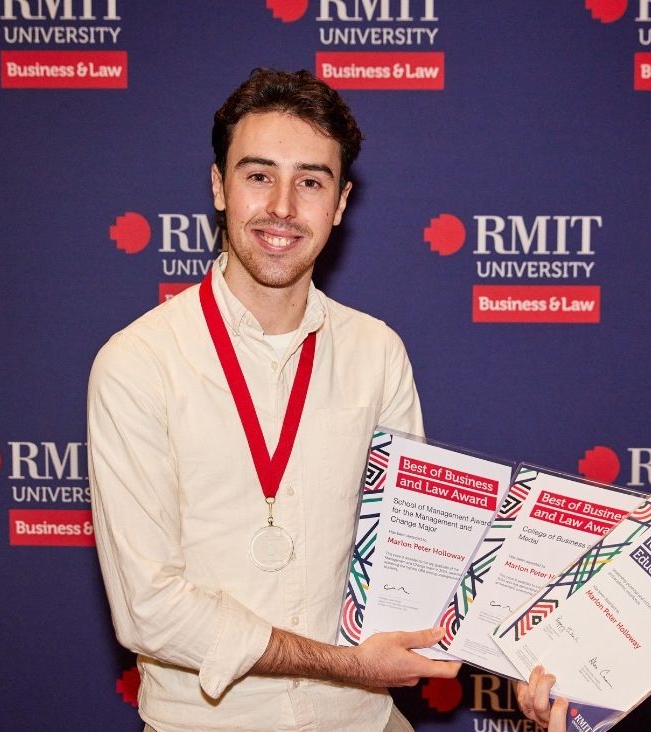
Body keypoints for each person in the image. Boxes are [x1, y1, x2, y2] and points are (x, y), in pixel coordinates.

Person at [87, 68, 462, 732]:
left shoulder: (376, 351)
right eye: (259, 175)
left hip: (364, 721)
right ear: (218, 187)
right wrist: (346, 665)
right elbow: (150, 610)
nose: (283, 207)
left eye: (311, 182)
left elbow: (412, 553)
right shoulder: (138, 364)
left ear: (340, 203)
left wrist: (531, 646)